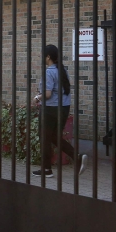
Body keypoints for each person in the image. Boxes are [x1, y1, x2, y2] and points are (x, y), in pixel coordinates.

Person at [33, 44, 86, 178]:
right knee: (54, 137)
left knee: (44, 137)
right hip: (63, 108)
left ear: (48, 57)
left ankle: (46, 170)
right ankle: (77, 157)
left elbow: (48, 94)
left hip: (50, 109)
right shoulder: (62, 70)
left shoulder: (49, 71)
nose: (42, 58)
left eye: (43, 56)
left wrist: (37, 97)